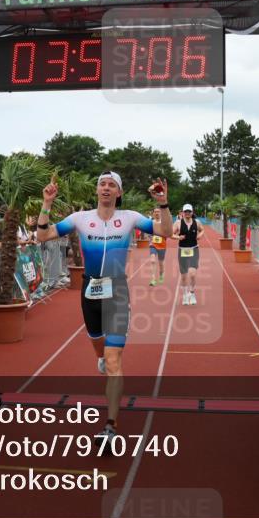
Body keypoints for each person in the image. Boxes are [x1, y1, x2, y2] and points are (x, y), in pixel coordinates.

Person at [36, 171, 172, 445]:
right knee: (98, 346)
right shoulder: (81, 219)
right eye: (102, 184)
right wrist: (46, 205)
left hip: (118, 290)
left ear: (118, 193)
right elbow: (43, 236)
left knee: (113, 360)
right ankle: (100, 356)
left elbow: (165, 232)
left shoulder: (130, 218)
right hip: (90, 291)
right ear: (97, 191)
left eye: (112, 185)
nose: (106, 188)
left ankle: (110, 425)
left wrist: (163, 204)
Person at [173, 203, 205, 305]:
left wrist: (200, 235)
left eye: (189, 211)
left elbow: (202, 230)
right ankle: (185, 295)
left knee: (192, 273)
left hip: (194, 249)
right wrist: (178, 237)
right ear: (183, 212)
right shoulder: (178, 223)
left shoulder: (197, 222)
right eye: (185, 211)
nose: (187, 213)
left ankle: (192, 293)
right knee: (183, 276)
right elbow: (171, 234)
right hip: (182, 250)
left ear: (192, 212)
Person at [147, 207, 167, 286]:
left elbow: (168, 233)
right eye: (155, 212)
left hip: (162, 245)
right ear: (153, 213)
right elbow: (148, 233)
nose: (157, 213)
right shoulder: (151, 222)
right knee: (152, 260)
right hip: (153, 244)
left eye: (158, 212)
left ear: (161, 213)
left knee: (161, 263)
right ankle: (153, 279)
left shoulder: (164, 223)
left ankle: (161, 275)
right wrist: (150, 238)